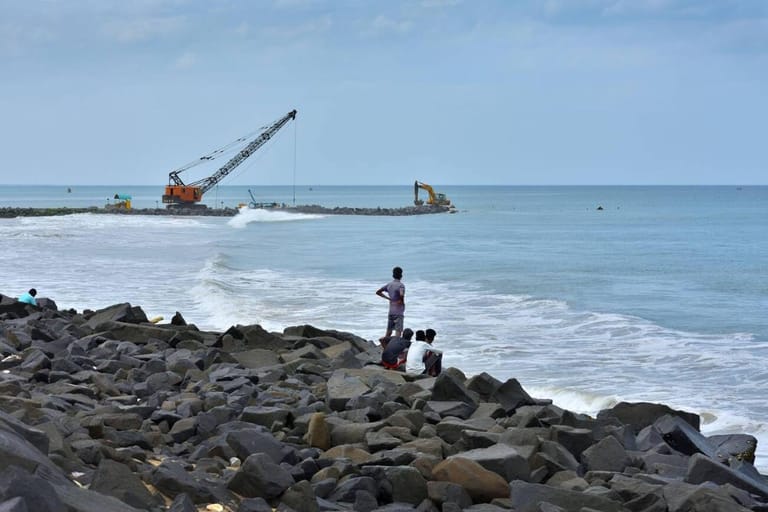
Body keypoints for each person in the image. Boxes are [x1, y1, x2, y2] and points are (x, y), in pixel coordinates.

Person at [376, 266, 405, 339]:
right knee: (398, 333)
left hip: (391, 311)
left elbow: (378, 292)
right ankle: (396, 348)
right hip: (398, 312)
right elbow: (401, 295)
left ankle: (384, 347)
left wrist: (388, 298)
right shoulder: (401, 285)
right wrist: (401, 302)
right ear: (401, 275)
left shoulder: (389, 285)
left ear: (393, 275)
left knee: (388, 332)